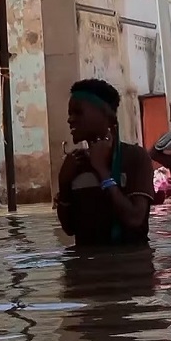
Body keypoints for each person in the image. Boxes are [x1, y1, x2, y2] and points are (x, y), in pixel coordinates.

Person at [55, 79, 155, 247]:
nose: (70, 120)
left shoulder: (134, 157)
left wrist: (102, 171)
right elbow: (69, 228)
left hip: (130, 267)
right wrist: (63, 183)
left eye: (78, 113)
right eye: (70, 113)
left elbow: (135, 219)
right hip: (87, 269)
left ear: (107, 117)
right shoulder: (76, 164)